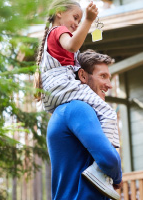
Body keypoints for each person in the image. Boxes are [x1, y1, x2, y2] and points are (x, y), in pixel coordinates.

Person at [33, 0, 120, 199]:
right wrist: (115, 175)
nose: (77, 23)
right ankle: (99, 172)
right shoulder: (76, 109)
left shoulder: (64, 114)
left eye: (79, 19)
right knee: (107, 111)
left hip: (56, 89)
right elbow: (72, 45)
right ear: (58, 13)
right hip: (62, 86)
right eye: (75, 18)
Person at [47, 50, 123, 200]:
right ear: (82, 75)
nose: (109, 85)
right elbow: (108, 159)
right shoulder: (78, 108)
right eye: (103, 76)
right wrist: (118, 177)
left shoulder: (64, 110)